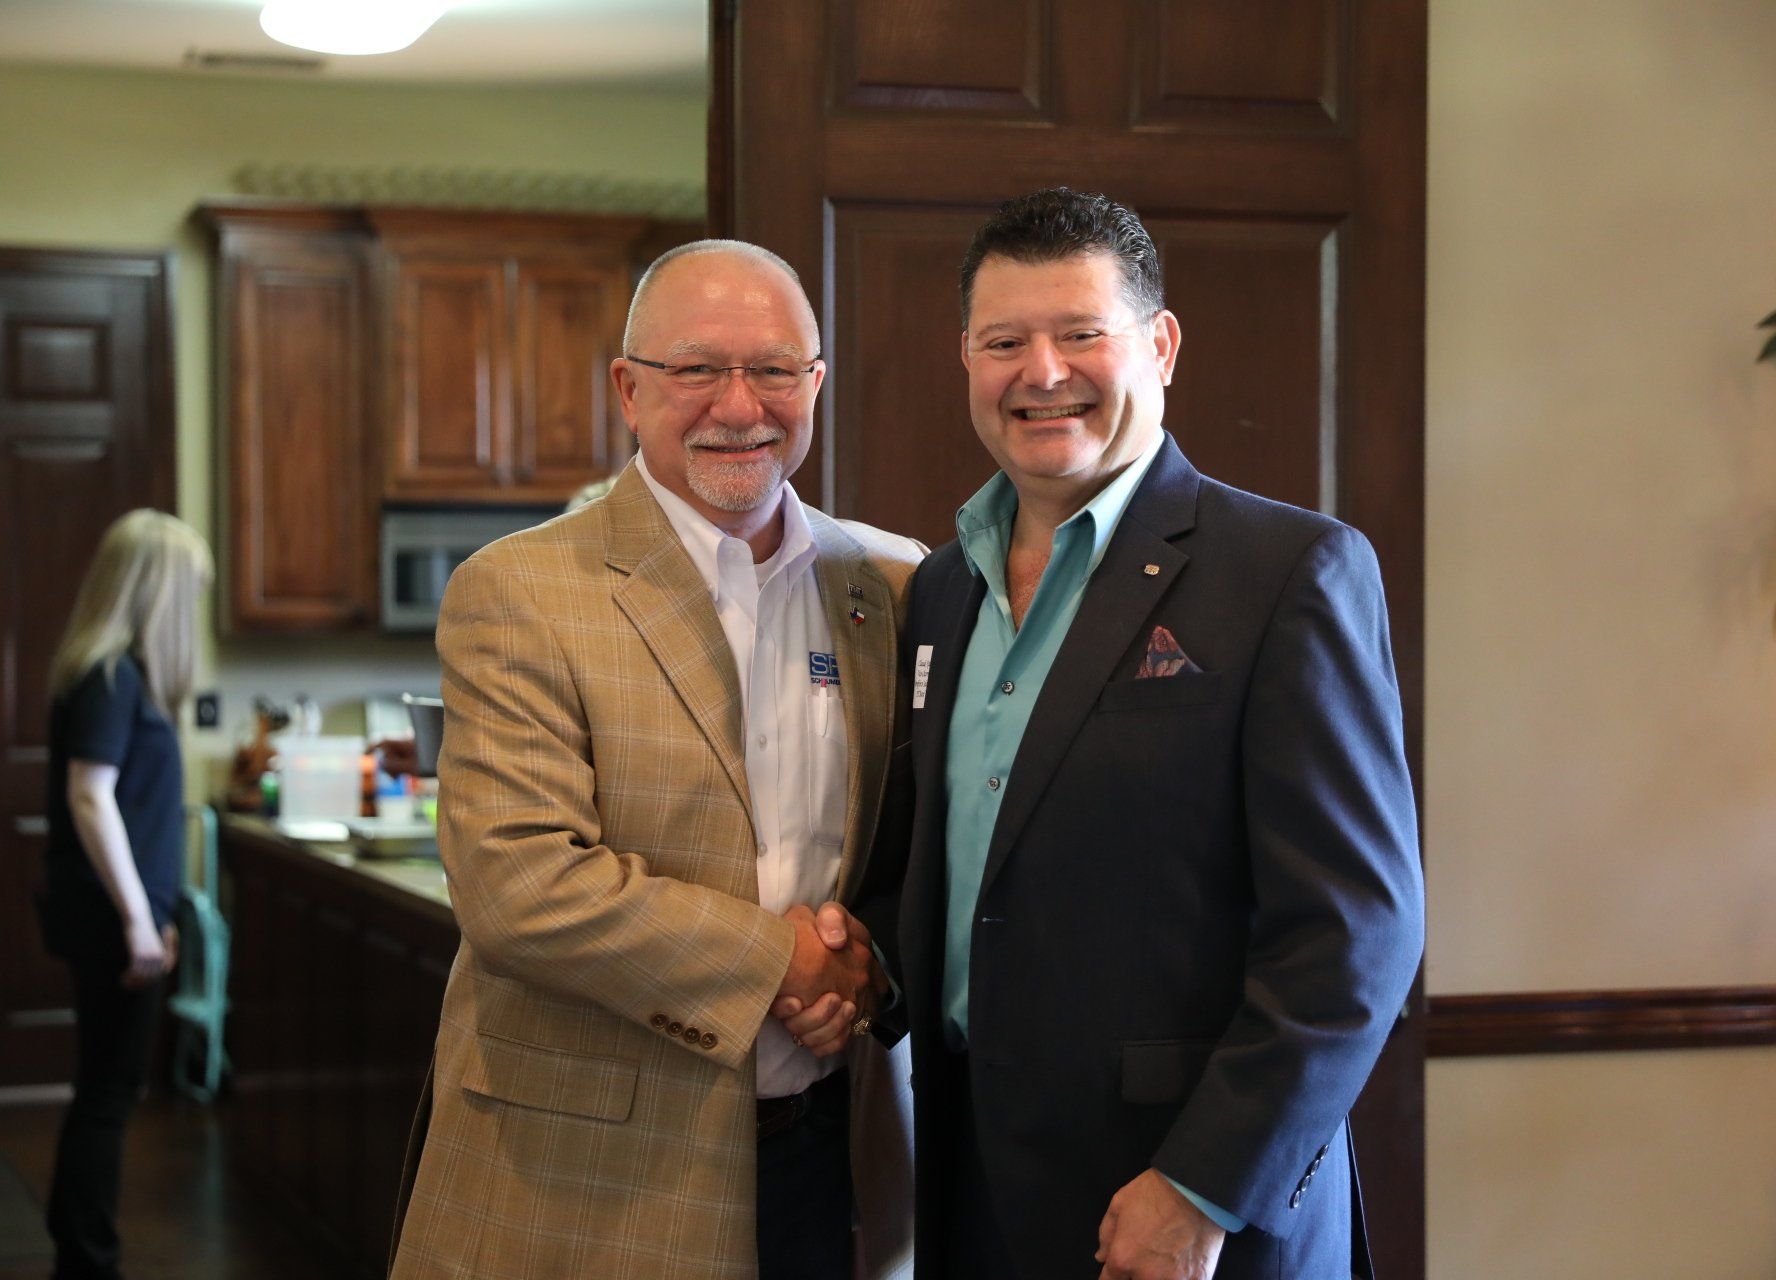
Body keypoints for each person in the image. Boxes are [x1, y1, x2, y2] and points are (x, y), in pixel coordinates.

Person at [833, 189, 1426, 1279]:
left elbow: (1356, 934)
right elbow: (946, 860)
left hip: (1185, 1212)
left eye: (1081, 333)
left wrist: (1203, 1185)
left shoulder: (1289, 572)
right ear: (967, 358)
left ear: (1159, 344)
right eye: (1005, 340)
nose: (1041, 370)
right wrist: (849, 963)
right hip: (972, 1186)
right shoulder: (943, 587)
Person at [390, 240, 920, 1280]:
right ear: (629, 390)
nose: (739, 404)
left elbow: (921, 850)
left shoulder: (892, 586)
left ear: (815, 384)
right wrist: (782, 960)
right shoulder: (521, 591)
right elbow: (519, 885)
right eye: (696, 369)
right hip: (585, 1172)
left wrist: (870, 972)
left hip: (822, 1149)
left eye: (774, 369)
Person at [37, 509, 211, 1280]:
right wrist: (141, 921)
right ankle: (87, 1258)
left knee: (105, 1086)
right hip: (115, 921)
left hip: (120, 915)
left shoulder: (115, 674)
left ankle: (82, 1246)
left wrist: (154, 914)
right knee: (108, 1092)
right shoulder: (113, 678)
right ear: (158, 593)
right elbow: (90, 796)